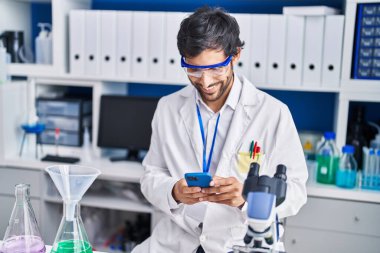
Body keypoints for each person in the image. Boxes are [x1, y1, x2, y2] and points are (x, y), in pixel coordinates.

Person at [132, 6, 308, 253]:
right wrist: (174, 191)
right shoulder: (168, 108)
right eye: (193, 69)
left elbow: (297, 192)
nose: (205, 81)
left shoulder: (273, 113)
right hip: (177, 240)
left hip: (240, 241)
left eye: (216, 68)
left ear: (235, 55)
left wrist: (249, 199)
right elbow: (151, 175)